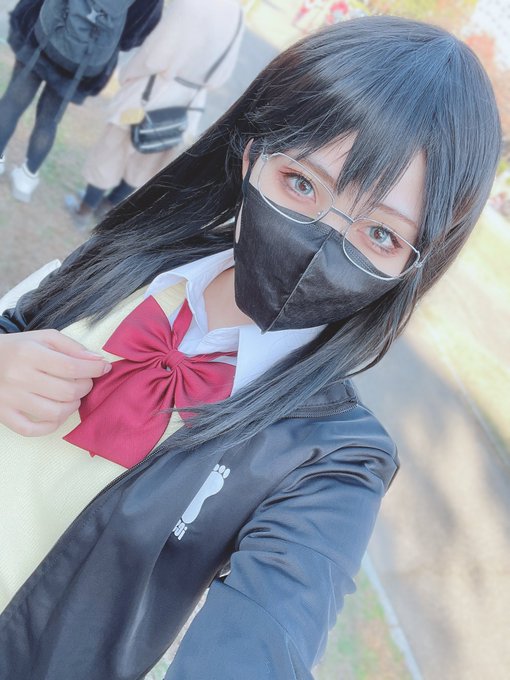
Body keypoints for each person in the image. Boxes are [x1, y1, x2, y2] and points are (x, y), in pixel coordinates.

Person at [0, 15, 501, 680]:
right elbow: (18, 316)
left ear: (414, 266)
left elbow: (270, 633)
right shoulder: (133, 255)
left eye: (380, 235)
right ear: (251, 157)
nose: (318, 242)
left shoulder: (334, 460)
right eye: (302, 183)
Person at [66, 0, 244, 229]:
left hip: (152, 89)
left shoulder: (190, 4)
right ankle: (108, 209)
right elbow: (222, 73)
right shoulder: (237, 14)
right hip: (188, 100)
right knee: (148, 158)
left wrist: (128, 76)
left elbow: (154, 53)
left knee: (112, 148)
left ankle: (85, 209)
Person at [0, 0, 163, 203]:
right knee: (49, 119)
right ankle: (25, 180)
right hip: (85, 56)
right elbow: (138, 30)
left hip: (46, 30)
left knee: (13, 101)